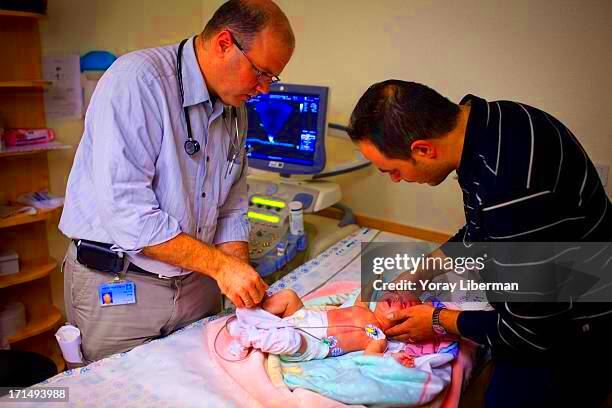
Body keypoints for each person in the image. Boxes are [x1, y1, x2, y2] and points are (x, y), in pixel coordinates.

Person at [347, 80, 611, 407]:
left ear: (423, 149)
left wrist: (435, 320)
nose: (396, 180)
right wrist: (416, 276)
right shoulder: (489, 124)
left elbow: (531, 331)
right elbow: (480, 232)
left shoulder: (513, 187)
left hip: (573, 326)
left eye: (393, 171)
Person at [59, 0, 295, 363]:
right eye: (261, 73)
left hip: (196, 284)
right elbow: (129, 215)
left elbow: (231, 204)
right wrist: (221, 267)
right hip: (122, 285)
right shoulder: (138, 82)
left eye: (272, 78)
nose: (264, 90)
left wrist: (243, 285)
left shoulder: (235, 109)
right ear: (224, 43)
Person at [228, 288, 424, 365]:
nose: (398, 297)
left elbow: (371, 357)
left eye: (405, 304)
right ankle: (253, 316)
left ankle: (248, 336)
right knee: (289, 296)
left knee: (290, 340)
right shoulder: (362, 308)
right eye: (398, 294)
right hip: (305, 317)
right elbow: (364, 293)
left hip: (312, 343)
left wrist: (394, 357)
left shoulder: (379, 338)